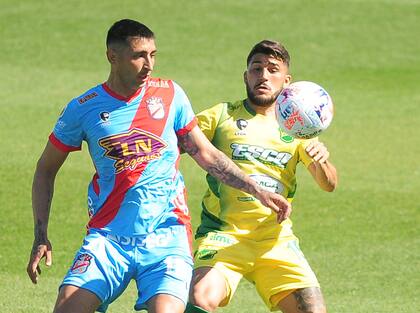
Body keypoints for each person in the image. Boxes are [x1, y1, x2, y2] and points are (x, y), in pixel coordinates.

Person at [27, 21, 291, 313]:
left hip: (166, 237)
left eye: (153, 54)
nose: (149, 64)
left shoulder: (170, 95)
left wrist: (256, 189)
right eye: (139, 55)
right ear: (112, 57)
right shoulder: (83, 107)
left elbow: (206, 154)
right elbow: (45, 169)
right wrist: (41, 234)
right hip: (108, 238)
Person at [186, 40, 338, 313]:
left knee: (313, 310)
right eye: (256, 69)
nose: (264, 76)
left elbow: (329, 185)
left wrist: (322, 160)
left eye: (272, 69)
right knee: (200, 297)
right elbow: (176, 142)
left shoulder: (296, 126)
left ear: (287, 81)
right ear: (246, 76)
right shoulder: (222, 116)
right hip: (224, 236)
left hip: (275, 240)